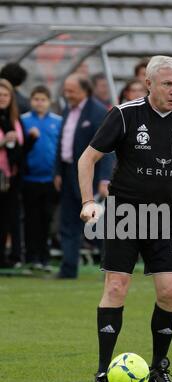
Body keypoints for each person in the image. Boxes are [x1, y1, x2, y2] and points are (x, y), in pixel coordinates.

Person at [78, 55, 172, 382]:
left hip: (168, 216)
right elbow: (87, 158)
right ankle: (104, 371)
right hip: (124, 212)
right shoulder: (124, 115)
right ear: (149, 84)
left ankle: (159, 369)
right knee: (116, 287)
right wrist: (89, 201)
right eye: (167, 84)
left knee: (171, 291)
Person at [54, 74, 114, 279]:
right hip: (68, 173)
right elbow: (62, 143)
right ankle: (68, 269)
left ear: (84, 91)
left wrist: (104, 179)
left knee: (97, 227)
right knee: (68, 223)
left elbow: (107, 148)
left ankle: (112, 269)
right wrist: (58, 172)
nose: (67, 94)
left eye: (71, 90)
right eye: (66, 90)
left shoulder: (98, 112)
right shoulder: (67, 110)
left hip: (90, 176)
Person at [21, 85, 62, 270]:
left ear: (49, 102)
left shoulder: (57, 121)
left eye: (43, 99)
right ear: (31, 101)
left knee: (47, 219)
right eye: (36, 99)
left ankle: (44, 257)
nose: (39, 103)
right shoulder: (23, 121)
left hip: (49, 179)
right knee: (31, 219)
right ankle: (32, 256)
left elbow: (60, 148)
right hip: (29, 179)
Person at [0, 79, 24, 268]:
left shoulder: (15, 120)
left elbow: (20, 149)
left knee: (8, 218)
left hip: (11, 176)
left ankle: (7, 257)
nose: (2, 98)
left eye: (6, 95)